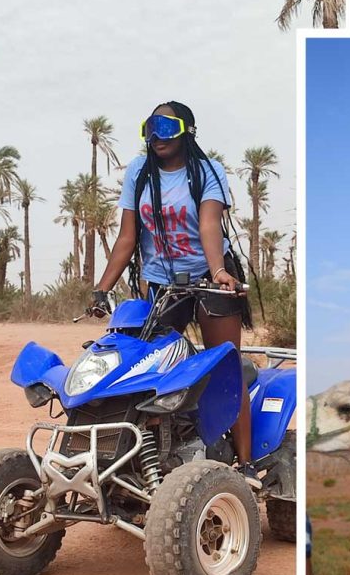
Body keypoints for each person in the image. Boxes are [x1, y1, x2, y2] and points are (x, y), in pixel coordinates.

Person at [91, 100, 262, 489]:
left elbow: (209, 227)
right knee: (147, 370)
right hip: (161, 285)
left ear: (187, 131)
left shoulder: (206, 171)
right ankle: (151, 462)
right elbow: (127, 237)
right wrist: (101, 289)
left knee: (226, 368)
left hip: (207, 278)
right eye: (149, 128)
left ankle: (246, 466)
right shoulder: (139, 171)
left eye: (165, 128)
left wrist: (219, 271)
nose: (156, 137)